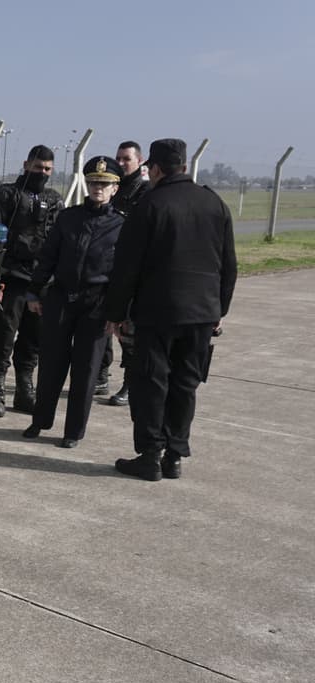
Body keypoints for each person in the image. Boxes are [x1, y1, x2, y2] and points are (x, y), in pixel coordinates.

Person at [104, 138, 237, 481]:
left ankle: (150, 455)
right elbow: (229, 265)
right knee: (185, 384)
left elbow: (126, 265)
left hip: (158, 312)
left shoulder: (150, 205)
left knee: (152, 383)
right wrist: (218, 309)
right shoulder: (214, 203)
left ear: (158, 168)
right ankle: (175, 455)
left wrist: (116, 312)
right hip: (201, 315)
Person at [22, 156, 126, 447]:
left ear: (115, 188)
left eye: (104, 184)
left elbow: (122, 274)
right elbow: (48, 257)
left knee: (86, 369)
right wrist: (34, 291)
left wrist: (117, 311)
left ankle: (73, 432)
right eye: (93, 182)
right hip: (61, 298)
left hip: (96, 303)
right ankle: (40, 421)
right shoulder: (68, 217)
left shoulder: (120, 225)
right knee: (52, 364)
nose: (98, 188)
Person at [0, 145, 64, 417]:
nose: (42, 173)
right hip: (11, 277)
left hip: (40, 282)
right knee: (4, 335)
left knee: (33, 339)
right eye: (38, 167)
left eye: (47, 170)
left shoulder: (53, 199)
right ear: (27, 164)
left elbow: (58, 240)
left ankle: (24, 390)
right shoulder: (6, 195)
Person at [98, 140, 150, 405]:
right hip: (107, 267)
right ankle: (101, 374)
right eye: (119, 158)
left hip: (130, 271)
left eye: (126, 158)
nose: (121, 162)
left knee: (128, 332)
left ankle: (131, 383)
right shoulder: (114, 188)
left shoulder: (145, 192)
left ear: (139, 161)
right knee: (103, 324)